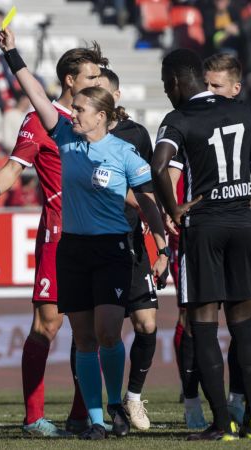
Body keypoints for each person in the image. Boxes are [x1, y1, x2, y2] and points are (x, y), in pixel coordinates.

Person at [0, 27, 156, 440]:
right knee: (67, 332)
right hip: (66, 244)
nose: (97, 85)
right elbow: (29, 111)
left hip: (107, 245)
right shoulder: (56, 129)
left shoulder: (115, 140)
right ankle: (66, 418)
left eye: (98, 83)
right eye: (88, 81)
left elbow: (136, 194)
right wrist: (12, 53)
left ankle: (98, 409)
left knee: (101, 331)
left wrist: (163, 227)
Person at [151, 48, 251, 440]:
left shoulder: (178, 118)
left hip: (204, 228)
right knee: (243, 328)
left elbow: (158, 165)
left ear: (174, 83)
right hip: (241, 224)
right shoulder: (244, 110)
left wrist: (175, 209)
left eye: (167, 86)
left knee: (203, 327)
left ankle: (222, 423)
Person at [0, 42, 108, 437]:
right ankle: (33, 418)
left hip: (96, 233)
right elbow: (13, 169)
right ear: (70, 80)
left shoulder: (96, 122)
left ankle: (83, 415)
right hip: (59, 235)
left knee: (92, 329)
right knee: (47, 325)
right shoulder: (42, 121)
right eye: (92, 76)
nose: (100, 83)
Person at [200, 54, 251, 425]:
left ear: (235, 88)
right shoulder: (210, 118)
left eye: (217, 86)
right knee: (221, 323)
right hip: (222, 225)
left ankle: (231, 408)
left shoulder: (241, 118)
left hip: (227, 227)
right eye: (206, 85)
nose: (209, 93)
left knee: (231, 321)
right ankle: (238, 414)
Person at [95, 68, 169, 432]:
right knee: (101, 333)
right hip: (97, 244)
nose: (99, 97)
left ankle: (134, 398)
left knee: (147, 323)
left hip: (133, 242)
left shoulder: (135, 134)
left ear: (117, 96)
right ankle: (97, 410)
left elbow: (148, 190)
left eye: (104, 91)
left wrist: (161, 245)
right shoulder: (83, 138)